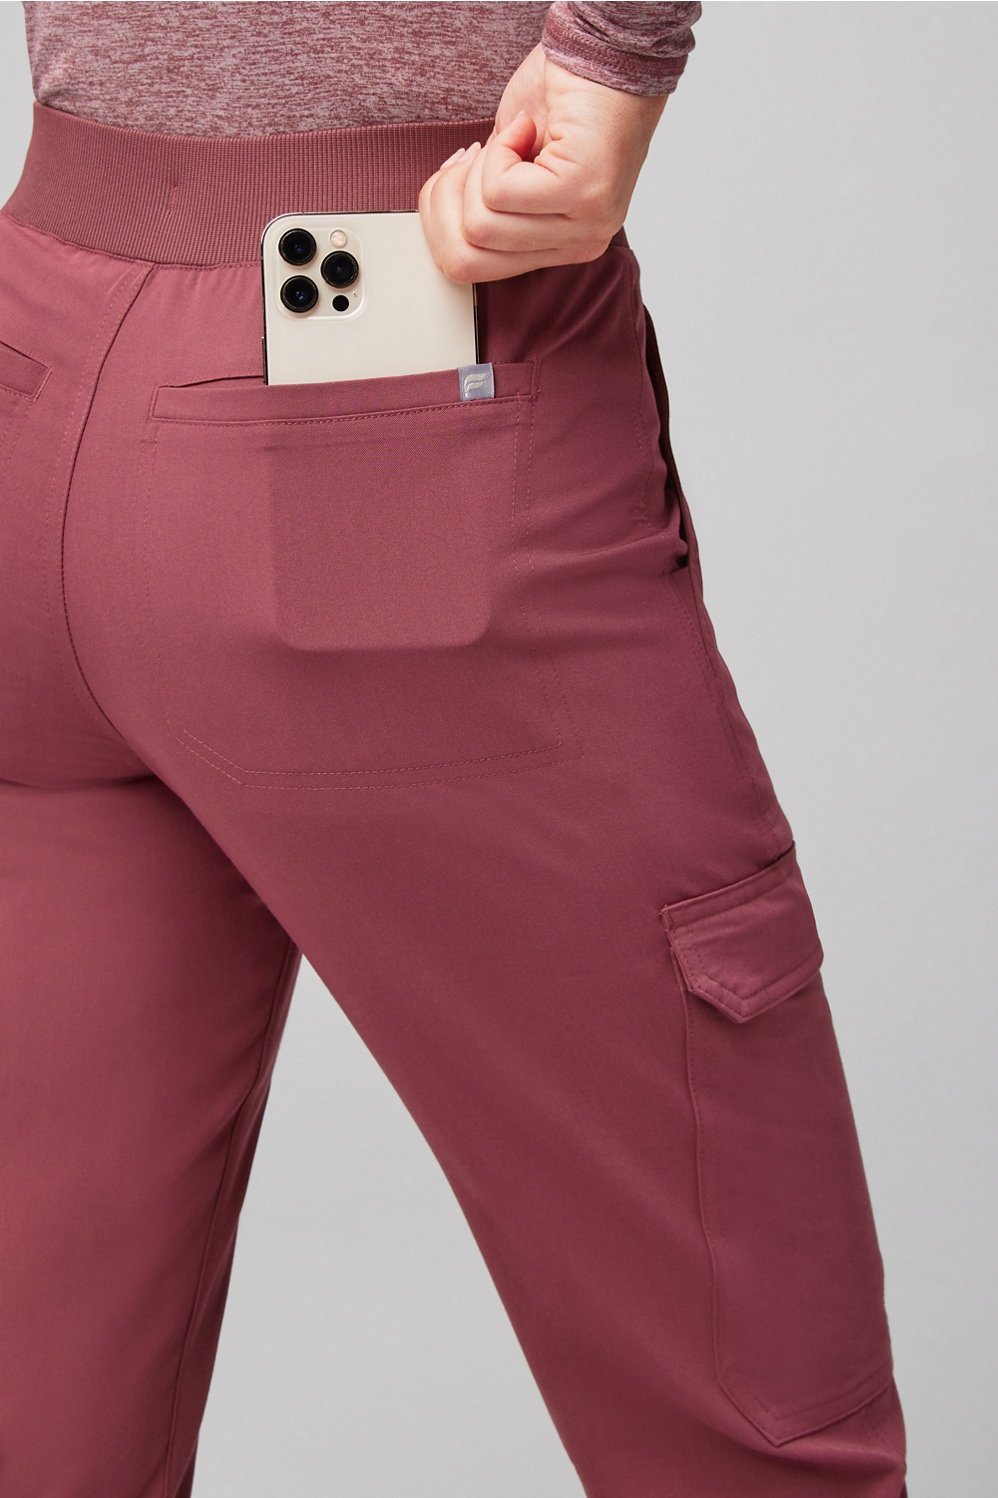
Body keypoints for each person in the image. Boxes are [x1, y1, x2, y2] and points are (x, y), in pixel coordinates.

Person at [0, 4, 908, 1494]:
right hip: (388, 358)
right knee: (754, 1435)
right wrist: (611, 53)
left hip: (32, 357)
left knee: (39, 1408)